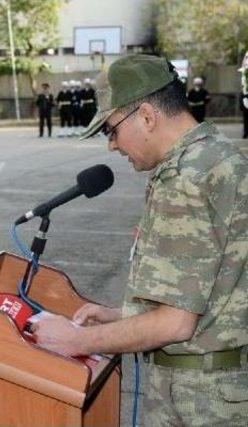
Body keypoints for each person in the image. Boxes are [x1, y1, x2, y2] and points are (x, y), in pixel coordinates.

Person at [32, 54, 248, 426]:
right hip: (219, 383)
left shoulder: (183, 178)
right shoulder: (218, 155)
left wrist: (75, 340)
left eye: (111, 130)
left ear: (147, 116)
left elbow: (175, 325)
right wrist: (120, 317)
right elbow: (209, 295)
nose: (112, 146)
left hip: (195, 398)